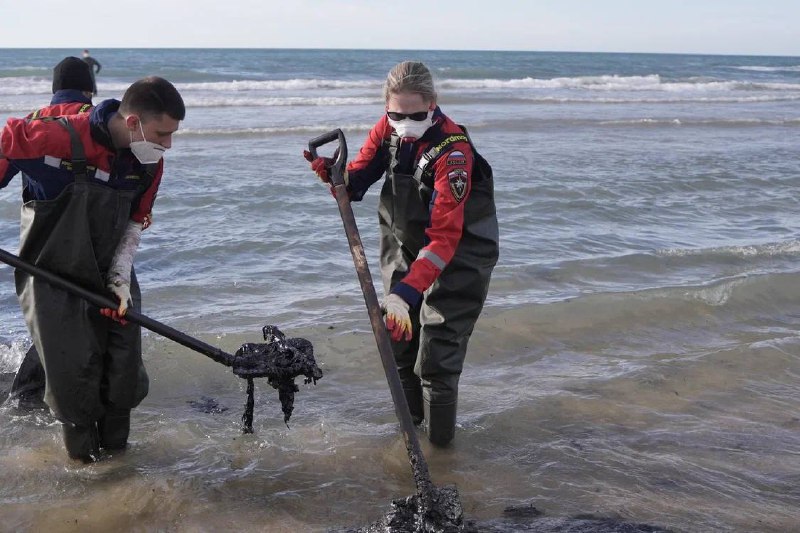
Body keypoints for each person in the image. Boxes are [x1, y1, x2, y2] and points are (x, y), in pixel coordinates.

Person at [304, 61, 499, 446]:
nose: (405, 122)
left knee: (437, 356)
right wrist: (335, 176)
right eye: (396, 114)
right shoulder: (387, 129)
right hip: (403, 247)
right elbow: (357, 180)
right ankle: (411, 437)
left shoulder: (453, 153)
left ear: (432, 104)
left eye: (415, 114)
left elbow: (444, 238)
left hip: (459, 257)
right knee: (398, 340)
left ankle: (441, 453)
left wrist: (405, 293)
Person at [0, 76, 185, 462]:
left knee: (123, 376)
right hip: (52, 276)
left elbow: (134, 225)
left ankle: (119, 464)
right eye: (162, 133)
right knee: (73, 387)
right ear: (133, 122)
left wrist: (118, 280)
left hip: (112, 273)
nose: (167, 145)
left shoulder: (148, 163)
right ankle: (86, 472)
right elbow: (7, 143)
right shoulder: (53, 137)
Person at [1, 56, 97, 410]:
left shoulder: (30, 125)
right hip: (97, 243)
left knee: (50, 318)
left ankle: (30, 397)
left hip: (43, 246)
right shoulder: (102, 123)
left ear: (55, 89)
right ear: (90, 87)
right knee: (90, 316)